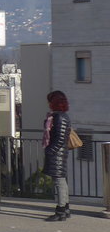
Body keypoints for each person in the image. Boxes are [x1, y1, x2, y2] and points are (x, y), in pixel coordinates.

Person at [42, 90, 73, 222]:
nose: (48, 104)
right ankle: (65, 208)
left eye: (50, 101)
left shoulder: (59, 117)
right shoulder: (62, 116)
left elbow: (59, 138)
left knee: (59, 182)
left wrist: (50, 150)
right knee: (62, 181)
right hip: (60, 153)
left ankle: (60, 211)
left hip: (57, 154)